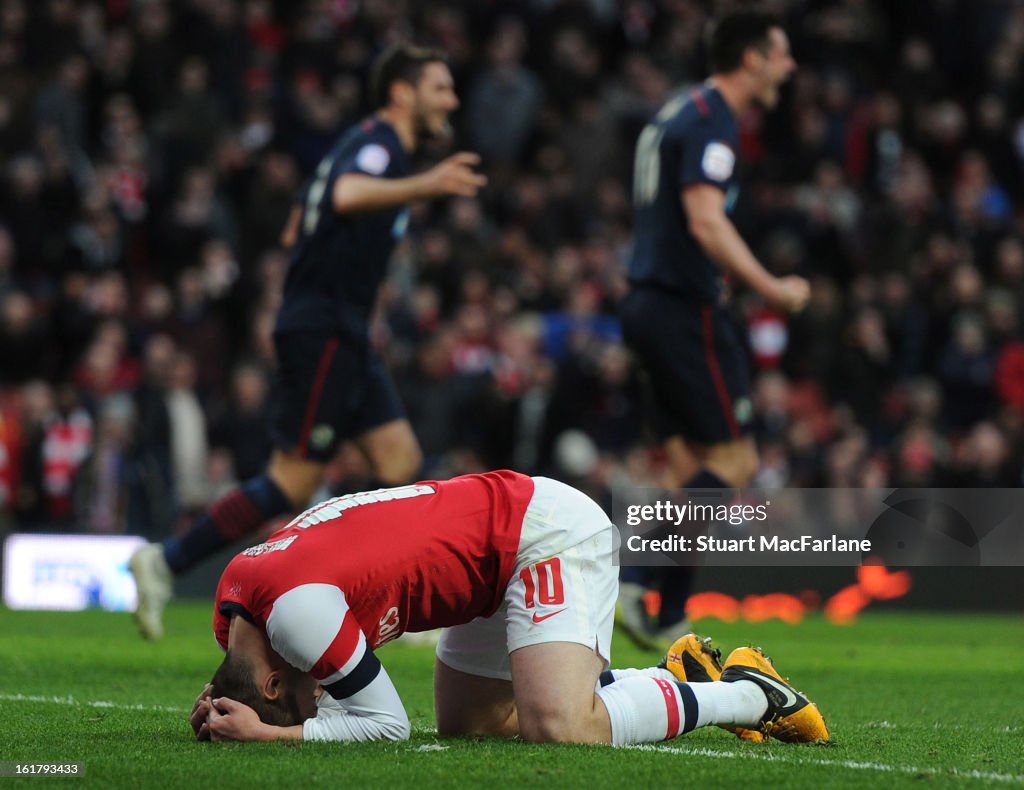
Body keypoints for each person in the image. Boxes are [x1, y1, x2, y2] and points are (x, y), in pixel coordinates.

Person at [129, 43, 487, 639]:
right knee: (290, 482)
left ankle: (403, 605)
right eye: (440, 88)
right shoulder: (381, 147)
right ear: (403, 93)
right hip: (322, 330)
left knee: (401, 466)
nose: (450, 99)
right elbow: (345, 195)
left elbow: (305, 216)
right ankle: (165, 561)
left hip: (342, 330)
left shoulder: (367, 146)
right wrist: (429, 184)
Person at [188, 470, 829, 746]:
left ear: (274, 678)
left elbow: (386, 725)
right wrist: (227, 698)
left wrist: (271, 730)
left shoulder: (293, 616)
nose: (318, 695)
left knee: (560, 726)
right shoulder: (238, 608)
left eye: (299, 694)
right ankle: (677, 680)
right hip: (487, 559)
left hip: (539, 532)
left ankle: (749, 695)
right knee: (477, 725)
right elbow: (253, 671)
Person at [617, 9, 809, 647]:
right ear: (752, 57)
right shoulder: (711, 120)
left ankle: (667, 612)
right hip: (683, 307)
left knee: (686, 467)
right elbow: (704, 220)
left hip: (646, 301)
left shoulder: (675, 111)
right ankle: (632, 575)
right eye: (782, 53)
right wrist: (772, 288)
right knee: (734, 458)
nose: (790, 66)